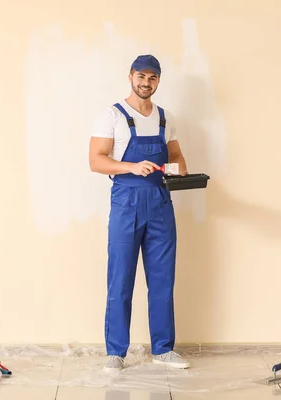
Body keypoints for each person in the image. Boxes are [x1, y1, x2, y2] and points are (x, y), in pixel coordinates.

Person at [89, 54, 190, 371]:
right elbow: (96, 160)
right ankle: (115, 353)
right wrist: (132, 166)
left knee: (162, 279)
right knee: (120, 279)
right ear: (131, 76)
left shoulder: (165, 117)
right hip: (126, 202)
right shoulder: (112, 116)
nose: (146, 83)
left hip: (160, 202)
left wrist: (173, 171)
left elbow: (178, 160)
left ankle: (163, 348)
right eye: (142, 76)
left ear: (158, 81)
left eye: (153, 78)